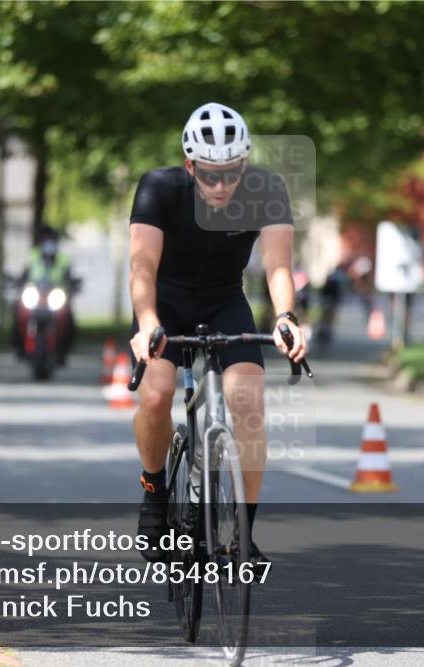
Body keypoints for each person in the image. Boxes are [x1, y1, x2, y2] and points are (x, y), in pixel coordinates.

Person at [128, 102, 306, 566]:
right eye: (210, 174)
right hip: (164, 304)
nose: (222, 185)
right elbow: (142, 266)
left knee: (247, 400)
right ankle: (154, 496)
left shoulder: (266, 189)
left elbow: (278, 265)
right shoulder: (159, 187)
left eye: (232, 172)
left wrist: (285, 316)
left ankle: (242, 532)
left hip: (225, 301)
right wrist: (148, 321)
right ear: (190, 165)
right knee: (156, 393)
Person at [15, 227, 78, 363]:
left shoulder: (62, 259)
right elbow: (24, 275)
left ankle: (63, 350)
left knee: (68, 318)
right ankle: (19, 347)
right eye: (45, 239)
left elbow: (69, 277)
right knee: (18, 313)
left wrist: (72, 286)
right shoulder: (33, 255)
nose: (48, 242)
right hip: (36, 296)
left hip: (55, 295)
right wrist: (18, 284)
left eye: (51, 239)